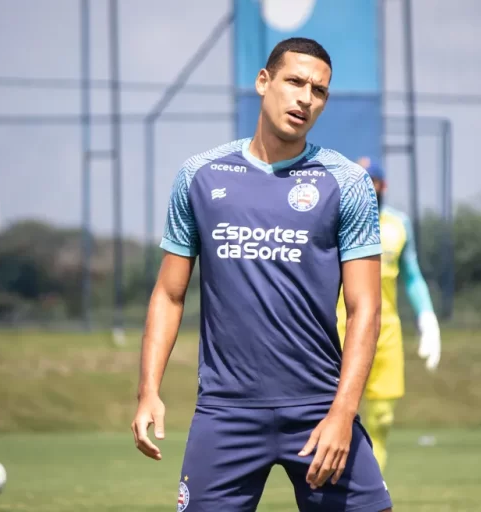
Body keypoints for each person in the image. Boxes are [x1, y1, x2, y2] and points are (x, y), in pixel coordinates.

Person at [131, 37, 393, 512]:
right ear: (263, 81)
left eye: (318, 90)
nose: (305, 98)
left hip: (319, 409)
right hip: (224, 412)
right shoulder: (200, 176)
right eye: (294, 81)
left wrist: (342, 413)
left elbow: (365, 309)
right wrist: (149, 389)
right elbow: (169, 296)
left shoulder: (346, 183)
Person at [336, 158, 441, 473]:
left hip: (386, 331)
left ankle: (373, 482)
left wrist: (427, 319)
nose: (369, 186)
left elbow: (412, 275)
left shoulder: (398, 225)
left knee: (382, 416)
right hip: (341, 328)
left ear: (383, 185)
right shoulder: (337, 220)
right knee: (338, 411)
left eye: (374, 180)